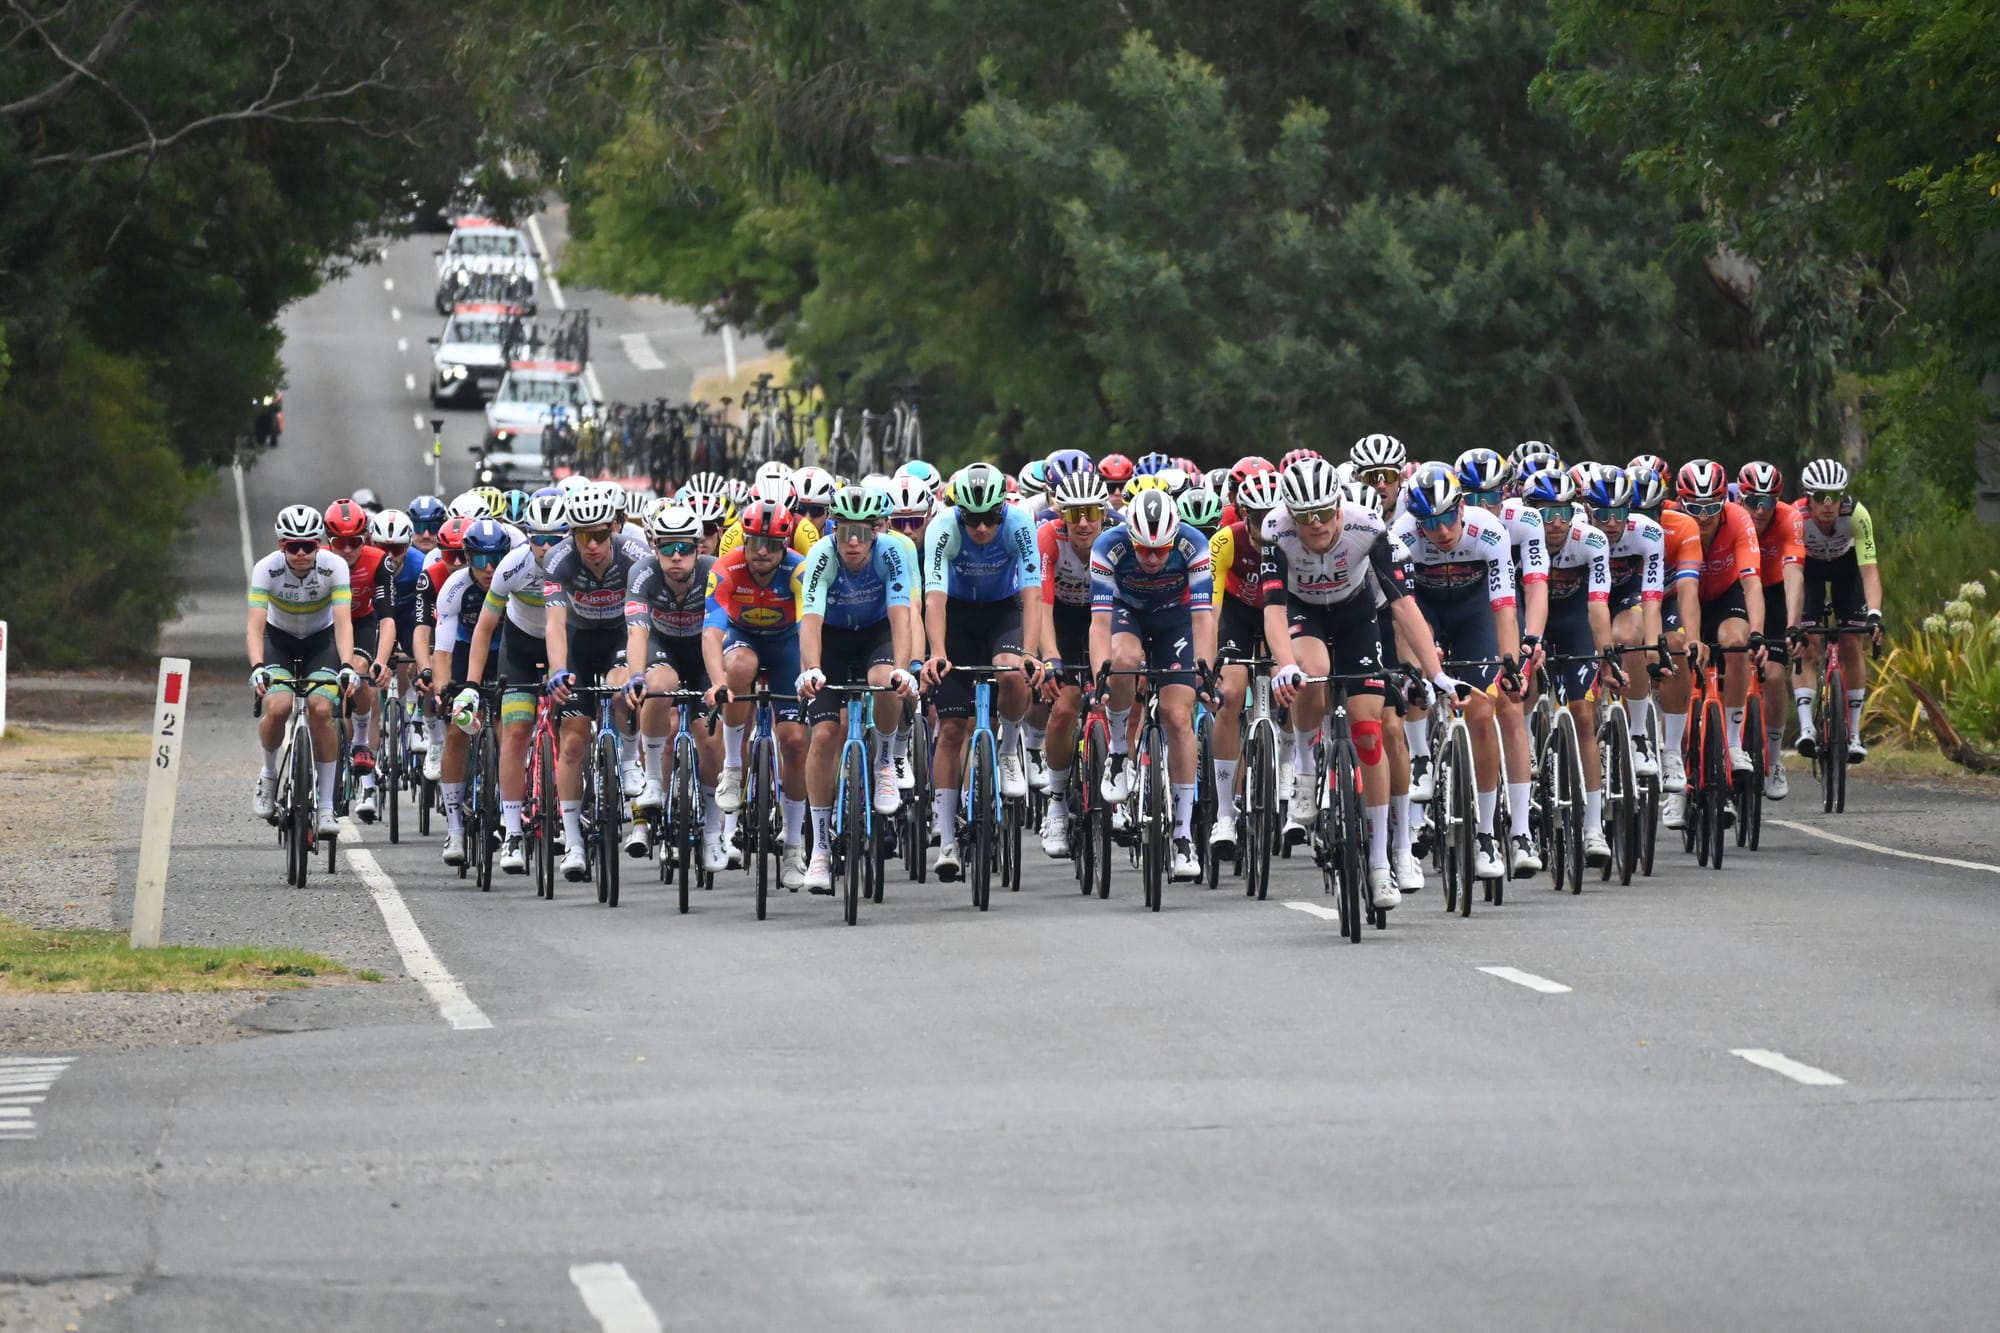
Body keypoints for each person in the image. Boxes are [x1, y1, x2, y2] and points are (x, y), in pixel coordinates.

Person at [1262, 458, 1457, 908]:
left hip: (1356, 615)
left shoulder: (1367, 526)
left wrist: (1436, 673)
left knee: (1370, 733)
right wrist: (1285, 664)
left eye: (1325, 513)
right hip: (1303, 611)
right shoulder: (1275, 530)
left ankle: (1379, 862)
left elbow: (1404, 606)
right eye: (1305, 517)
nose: (1317, 526)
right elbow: (1273, 609)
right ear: (1290, 514)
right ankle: (1308, 776)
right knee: (1313, 674)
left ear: (1339, 504)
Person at [1391, 463, 1531, 879]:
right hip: (1425, 610)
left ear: (1462, 506)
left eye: (1447, 517)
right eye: (1428, 523)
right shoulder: (1401, 536)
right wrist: (1418, 668)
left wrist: (1510, 666)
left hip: (1475, 612)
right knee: (1414, 679)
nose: (1440, 530)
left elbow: (1505, 607)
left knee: (1485, 712)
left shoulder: (1489, 530)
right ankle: (1419, 756)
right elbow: (1403, 613)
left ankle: (1487, 833)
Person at [794, 487, 922, 891]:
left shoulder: (891, 554)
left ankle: (884, 762)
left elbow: (901, 618)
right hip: (830, 641)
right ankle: (819, 848)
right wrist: (811, 670)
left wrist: (903, 670)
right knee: (826, 735)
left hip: (874, 636)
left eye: (863, 533)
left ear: (875, 532)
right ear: (833, 527)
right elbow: (810, 621)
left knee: (885, 680)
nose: (853, 542)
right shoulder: (821, 556)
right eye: (845, 531)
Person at [920, 462, 1043, 881]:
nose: (984, 529)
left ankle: (1009, 750)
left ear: (1002, 510)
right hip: (956, 617)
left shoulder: (1020, 523)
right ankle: (948, 837)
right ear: (960, 514)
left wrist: (1030, 652)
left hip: (1003, 613)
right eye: (973, 520)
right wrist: (937, 651)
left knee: (1011, 673)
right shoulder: (942, 527)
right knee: (952, 728)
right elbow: (934, 599)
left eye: (991, 518)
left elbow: (1032, 593)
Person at [1089, 489, 1215, 880]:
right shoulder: (1108, 545)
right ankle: (1118, 752)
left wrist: (1204, 671)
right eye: (1144, 550)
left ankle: (1181, 835)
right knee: (1122, 662)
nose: (1153, 559)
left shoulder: (1194, 544)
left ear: (1175, 537)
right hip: (1127, 614)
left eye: (1161, 551)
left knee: (1179, 716)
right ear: (1131, 537)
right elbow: (1099, 623)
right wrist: (1100, 678)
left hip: (1175, 618)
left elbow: (1204, 619)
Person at [539, 486, 649, 879]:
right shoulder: (558, 559)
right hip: (579, 641)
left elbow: (641, 622)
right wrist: (557, 670)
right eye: (583, 536)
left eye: (600, 535)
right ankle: (572, 842)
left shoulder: (635, 553)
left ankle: (628, 758)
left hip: (622, 635)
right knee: (572, 740)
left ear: (614, 528)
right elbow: (553, 623)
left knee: (625, 689)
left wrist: (637, 674)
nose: (592, 546)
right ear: (572, 535)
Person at [703, 499, 813, 888]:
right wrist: (717, 683)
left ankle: (794, 848)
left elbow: (807, 627)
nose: (761, 552)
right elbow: (712, 631)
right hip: (743, 640)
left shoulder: (799, 569)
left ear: (784, 545)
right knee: (738, 668)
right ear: (743, 541)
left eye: (770, 543)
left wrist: (809, 673)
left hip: (787, 646)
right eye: (754, 543)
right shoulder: (726, 567)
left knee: (796, 743)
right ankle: (733, 765)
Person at [462, 495, 569, 873]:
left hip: (567, 645)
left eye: (554, 538)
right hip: (520, 646)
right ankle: (512, 833)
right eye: (537, 538)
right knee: (517, 731)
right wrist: (472, 684)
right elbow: (485, 628)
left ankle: (572, 811)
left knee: (573, 730)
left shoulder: (575, 566)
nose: (544, 547)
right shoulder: (513, 566)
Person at [623, 502, 731, 874]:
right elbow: (637, 631)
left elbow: (717, 631)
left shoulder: (714, 571)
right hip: (663, 647)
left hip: (704, 651)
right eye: (667, 547)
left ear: (699, 546)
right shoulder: (642, 573)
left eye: (684, 547)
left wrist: (718, 680)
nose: (675, 556)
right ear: (654, 546)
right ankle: (653, 779)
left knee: (711, 739)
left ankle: (713, 830)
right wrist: (635, 675)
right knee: (657, 685)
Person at [1524, 470, 1621, 866]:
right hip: (1533, 620)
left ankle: (1594, 827)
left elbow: (1598, 604)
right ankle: (1527, 755)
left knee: (1583, 715)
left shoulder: (1591, 540)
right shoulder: (1520, 539)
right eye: (1547, 514)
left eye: (1564, 511)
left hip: (1576, 620)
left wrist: (1607, 654)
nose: (1558, 522)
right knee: (1522, 684)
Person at [247, 505, 358, 837]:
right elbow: (254, 627)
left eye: (307, 545)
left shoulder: (334, 566)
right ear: (281, 545)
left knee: (322, 710)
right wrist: (256, 667)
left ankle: (325, 807)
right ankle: (268, 776)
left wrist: (349, 665)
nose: (300, 553)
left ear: (319, 544)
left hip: (320, 641)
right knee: (278, 707)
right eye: (291, 546)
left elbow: (343, 622)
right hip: (277, 640)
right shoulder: (266, 569)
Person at [1031, 469, 1114, 857]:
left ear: (1104, 512)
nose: (1083, 522)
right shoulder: (1048, 538)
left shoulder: (1118, 536)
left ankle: (1120, 782)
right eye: (1074, 513)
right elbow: (1043, 606)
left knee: (1120, 694)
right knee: (1064, 707)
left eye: (1091, 512)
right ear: (1061, 514)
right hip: (1061, 619)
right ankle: (1057, 803)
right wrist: (1050, 660)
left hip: (1106, 617)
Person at [1205, 467, 1285, 862]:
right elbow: (1212, 607)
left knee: (1294, 686)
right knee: (1231, 694)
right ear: (1241, 513)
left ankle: (1286, 773)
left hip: (1279, 611)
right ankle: (1224, 812)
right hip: (1237, 612)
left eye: (1273, 518)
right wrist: (1207, 661)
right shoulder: (1226, 541)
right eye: (1257, 519)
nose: (1266, 528)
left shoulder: (1291, 540)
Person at [1676, 458, 1767, 777]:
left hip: (1724, 596)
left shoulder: (1740, 519)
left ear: (1723, 503)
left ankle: (1732, 742)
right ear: (1679, 503)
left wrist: (1757, 632)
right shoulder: (1670, 523)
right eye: (1693, 508)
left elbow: (1752, 582)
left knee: (1737, 644)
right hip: (1681, 597)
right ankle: (1676, 754)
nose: (1702, 517)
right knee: (1675, 657)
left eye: (1711, 508)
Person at [1791, 458, 1884, 763]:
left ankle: (1854, 733)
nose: (1827, 505)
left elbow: (1869, 570)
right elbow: (1791, 572)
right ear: (1808, 496)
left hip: (1847, 570)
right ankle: (1806, 728)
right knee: (1808, 644)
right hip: (1810, 570)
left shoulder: (1856, 514)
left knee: (1851, 643)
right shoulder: (1796, 517)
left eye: (1835, 496)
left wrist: (1874, 613)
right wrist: (1794, 624)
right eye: (1819, 497)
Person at [431, 518, 510, 866]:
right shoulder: (454, 587)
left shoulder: (515, 583)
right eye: (480, 561)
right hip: (465, 657)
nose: (489, 569)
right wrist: (443, 690)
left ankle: (510, 812)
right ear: (466, 558)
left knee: (510, 728)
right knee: (458, 730)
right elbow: (444, 650)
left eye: (495, 560)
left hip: (508, 656)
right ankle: (455, 828)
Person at [322, 498, 396, 821]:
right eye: (341, 543)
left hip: (362, 624)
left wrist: (381, 660)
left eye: (355, 542)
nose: (348, 550)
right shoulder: (318, 560)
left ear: (365, 539)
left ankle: (361, 744)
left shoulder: (378, 562)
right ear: (328, 542)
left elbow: (388, 618)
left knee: (360, 672)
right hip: (326, 626)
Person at [1738, 461, 1805, 797]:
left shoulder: (1789, 517)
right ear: (1740, 496)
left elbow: (1794, 573)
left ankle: (1775, 759)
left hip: (1774, 591)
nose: (1759, 510)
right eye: (1752, 500)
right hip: (1735, 591)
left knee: (1776, 675)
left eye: (1767, 502)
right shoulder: (1731, 515)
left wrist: (1793, 624)